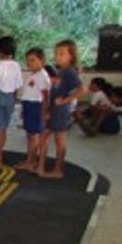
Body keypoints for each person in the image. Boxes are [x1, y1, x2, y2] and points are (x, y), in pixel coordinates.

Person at [39, 40, 84, 178]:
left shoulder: (70, 71)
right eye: (56, 54)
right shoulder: (61, 71)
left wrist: (64, 100)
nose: (58, 57)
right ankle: (41, 165)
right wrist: (48, 109)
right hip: (54, 109)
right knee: (44, 137)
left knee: (59, 139)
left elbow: (81, 90)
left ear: (71, 55)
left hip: (61, 110)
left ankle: (58, 169)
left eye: (62, 54)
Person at [15, 47, 51, 172]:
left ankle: (31, 161)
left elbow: (46, 96)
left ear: (42, 60)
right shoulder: (34, 75)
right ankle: (30, 159)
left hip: (36, 107)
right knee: (30, 135)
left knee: (33, 136)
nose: (30, 63)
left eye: (33, 60)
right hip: (29, 106)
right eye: (28, 61)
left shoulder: (42, 76)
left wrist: (44, 112)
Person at [0, 36, 23, 167]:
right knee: (3, 128)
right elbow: (17, 86)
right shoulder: (16, 65)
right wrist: (14, 100)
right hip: (10, 97)